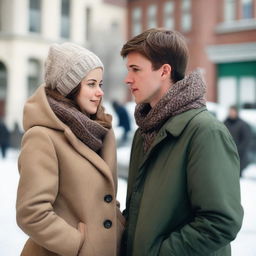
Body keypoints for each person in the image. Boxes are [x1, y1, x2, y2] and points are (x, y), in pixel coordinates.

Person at [120, 28, 243, 256]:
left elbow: (220, 221)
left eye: (135, 69)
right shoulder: (144, 131)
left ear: (164, 71)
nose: (127, 79)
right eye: (128, 70)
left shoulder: (205, 132)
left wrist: (160, 253)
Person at [16, 43, 125, 256]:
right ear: (70, 87)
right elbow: (31, 213)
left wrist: (119, 228)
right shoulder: (42, 137)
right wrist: (77, 244)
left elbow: (106, 198)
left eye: (100, 84)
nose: (99, 92)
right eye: (91, 84)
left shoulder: (99, 131)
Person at [224, 105, 252, 176]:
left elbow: (246, 140)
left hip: (239, 155)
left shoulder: (242, 125)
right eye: (230, 111)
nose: (231, 113)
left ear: (236, 112)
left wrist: (237, 150)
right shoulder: (225, 123)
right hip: (226, 153)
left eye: (233, 111)